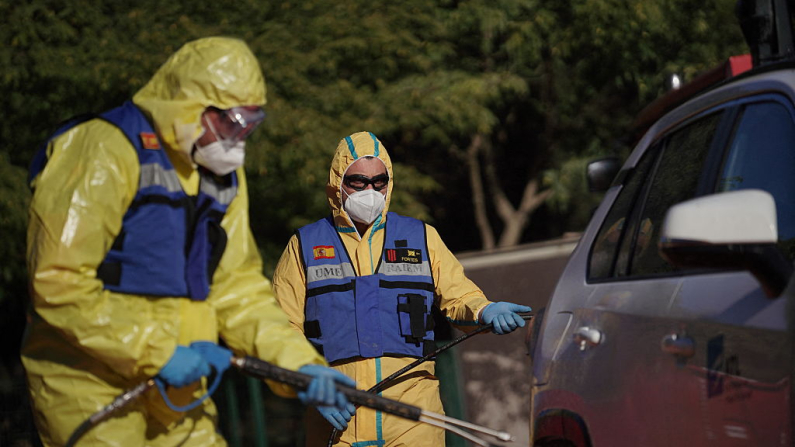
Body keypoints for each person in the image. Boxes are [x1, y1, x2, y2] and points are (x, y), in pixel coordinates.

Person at [22, 37, 354, 447]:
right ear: (189, 106)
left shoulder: (220, 175)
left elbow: (238, 290)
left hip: (180, 389)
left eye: (251, 124)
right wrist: (158, 353)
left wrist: (301, 365)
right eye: (233, 123)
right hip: (88, 384)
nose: (239, 138)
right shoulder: (103, 148)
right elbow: (59, 281)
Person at [272, 131, 532, 446]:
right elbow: (279, 329)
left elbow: (460, 296)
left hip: (413, 415)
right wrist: (307, 382)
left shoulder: (421, 236)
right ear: (337, 182)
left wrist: (483, 309)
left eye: (379, 181)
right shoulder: (304, 245)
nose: (370, 190)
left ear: (389, 182)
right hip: (336, 417)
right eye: (358, 181)